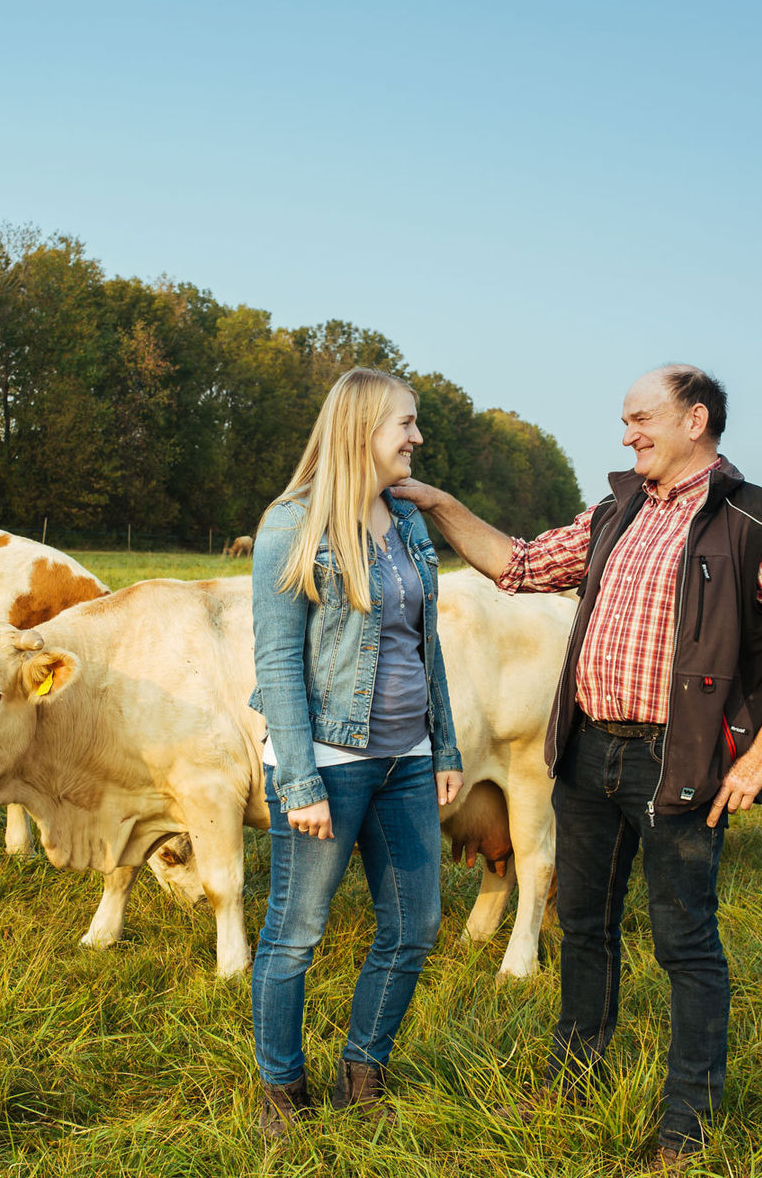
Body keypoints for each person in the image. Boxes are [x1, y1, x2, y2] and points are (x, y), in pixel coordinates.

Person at [391, 364, 762, 1171]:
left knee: (685, 943)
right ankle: (573, 1081)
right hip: (586, 752)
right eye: (625, 420)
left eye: (642, 417)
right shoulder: (618, 511)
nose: (627, 433)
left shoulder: (757, 521)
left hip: (676, 761)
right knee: (584, 927)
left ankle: (688, 1124)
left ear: (697, 419)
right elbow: (518, 565)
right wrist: (436, 504)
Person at [247, 367, 465, 1139]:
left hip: (407, 758)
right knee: (294, 933)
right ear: (359, 430)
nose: (416, 437)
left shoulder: (405, 518)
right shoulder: (293, 523)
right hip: (328, 766)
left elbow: (421, 640)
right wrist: (298, 780)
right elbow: (275, 662)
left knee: (413, 927)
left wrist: (444, 744)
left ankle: (362, 1069)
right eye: (404, 423)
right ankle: (281, 1091)